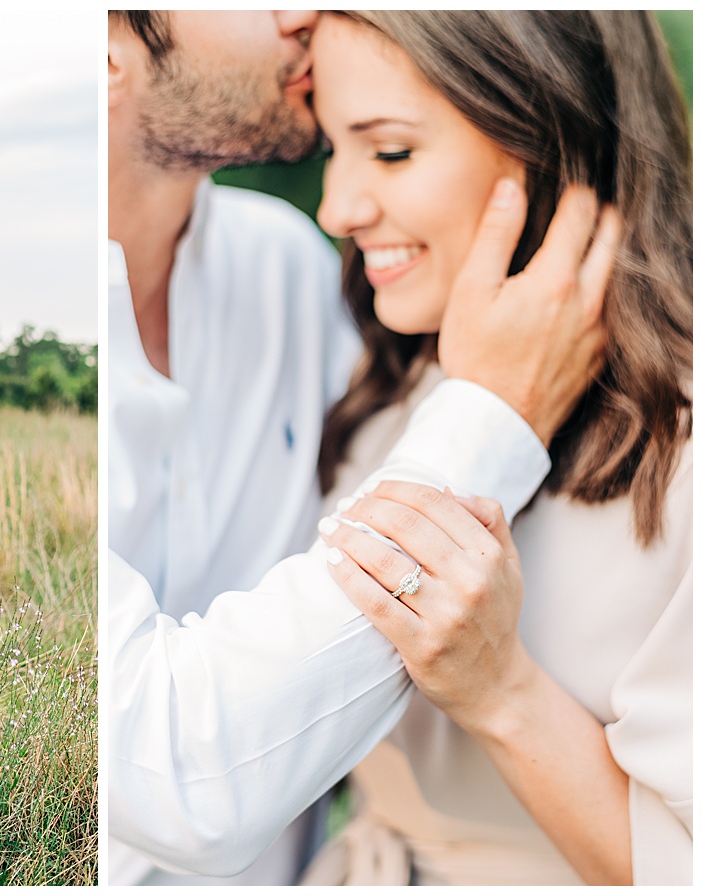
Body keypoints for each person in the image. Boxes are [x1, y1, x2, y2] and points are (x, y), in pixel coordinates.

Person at [107, 9, 620, 884]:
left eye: (384, 151)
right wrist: (494, 412)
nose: (302, 9)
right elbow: (174, 776)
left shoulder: (298, 275)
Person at [309, 10, 691, 886]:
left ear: (554, 135)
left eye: (391, 151)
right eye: (332, 147)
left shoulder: (687, 447)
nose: (337, 208)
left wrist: (500, 690)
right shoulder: (390, 379)